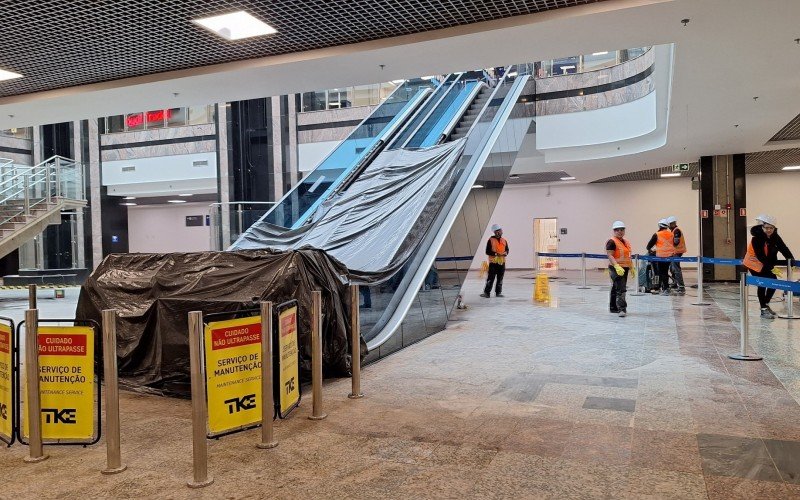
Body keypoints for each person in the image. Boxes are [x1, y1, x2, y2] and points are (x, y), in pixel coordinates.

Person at [742, 214, 796, 319]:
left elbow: (783, 247)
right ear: (762, 227)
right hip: (754, 263)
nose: (769, 230)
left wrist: (791, 260)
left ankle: (765, 305)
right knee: (762, 284)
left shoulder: (775, 236)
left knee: (773, 283)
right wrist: (772, 268)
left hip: (765, 263)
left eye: (771, 228)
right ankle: (763, 310)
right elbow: (761, 256)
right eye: (766, 228)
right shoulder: (756, 239)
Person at [606, 221, 632, 317]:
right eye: (618, 230)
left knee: (615, 287)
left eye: (622, 229)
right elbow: (610, 255)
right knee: (621, 288)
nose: (620, 231)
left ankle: (613, 308)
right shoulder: (611, 241)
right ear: (614, 231)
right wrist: (616, 266)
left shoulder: (626, 242)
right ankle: (622, 309)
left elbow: (628, 255)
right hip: (615, 268)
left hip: (624, 268)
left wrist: (631, 267)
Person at [646, 219, 675, 296]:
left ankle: (662, 288)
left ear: (659, 225)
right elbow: (674, 244)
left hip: (660, 256)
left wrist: (650, 251)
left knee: (660, 273)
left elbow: (649, 246)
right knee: (665, 272)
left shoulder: (657, 234)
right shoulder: (671, 234)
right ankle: (665, 287)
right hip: (669, 256)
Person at [481, 223, 508, 298]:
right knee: (491, 278)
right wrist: (496, 254)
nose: (501, 232)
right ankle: (487, 293)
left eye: (501, 230)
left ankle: (498, 293)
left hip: (502, 262)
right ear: (495, 232)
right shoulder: (490, 240)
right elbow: (487, 251)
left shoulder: (504, 240)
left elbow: (507, 250)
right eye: (499, 231)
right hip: (493, 263)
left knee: (500, 278)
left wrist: (505, 253)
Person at [667, 215, 686, 295]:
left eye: (670, 224)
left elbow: (676, 242)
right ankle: (675, 283)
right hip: (674, 252)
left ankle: (681, 287)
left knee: (676, 269)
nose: (669, 225)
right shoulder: (673, 230)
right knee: (672, 268)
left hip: (677, 252)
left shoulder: (676, 231)